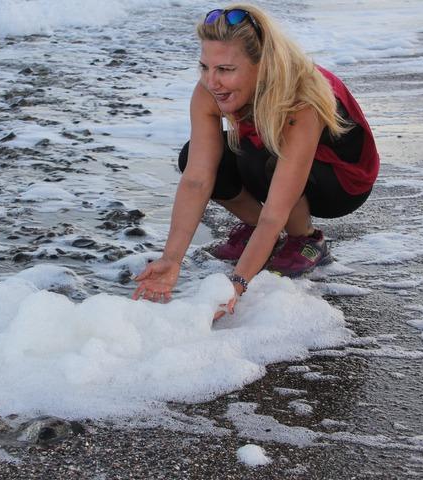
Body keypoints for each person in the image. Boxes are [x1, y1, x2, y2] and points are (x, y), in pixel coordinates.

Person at [132, 5, 379, 316]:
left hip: (342, 182)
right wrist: (171, 258)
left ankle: (305, 240)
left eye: (225, 69)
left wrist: (237, 284)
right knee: (197, 155)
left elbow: (275, 210)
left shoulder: (301, 96)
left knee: (263, 156)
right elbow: (197, 178)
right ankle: (258, 234)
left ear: (261, 64)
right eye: (205, 67)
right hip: (272, 157)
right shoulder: (210, 90)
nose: (212, 81)